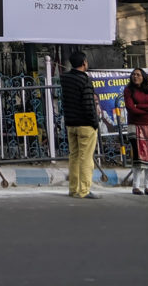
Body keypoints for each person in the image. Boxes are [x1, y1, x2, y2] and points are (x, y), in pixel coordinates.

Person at [61, 51, 100, 199]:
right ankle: (84, 190)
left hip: (71, 123)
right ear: (84, 63)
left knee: (74, 156)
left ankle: (73, 189)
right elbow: (88, 105)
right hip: (85, 124)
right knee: (86, 158)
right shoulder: (85, 80)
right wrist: (94, 123)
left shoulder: (65, 79)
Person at [123, 67, 148, 196]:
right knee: (138, 156)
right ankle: (136, 186)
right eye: (133, 75)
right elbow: (131, 109)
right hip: (135, 126)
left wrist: (139, 106)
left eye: (138, 75)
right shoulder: (128, 90)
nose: (135, 77)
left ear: (143, 77)